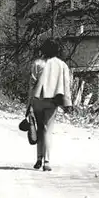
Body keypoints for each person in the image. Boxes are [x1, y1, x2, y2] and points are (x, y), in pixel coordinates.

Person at [26, 38, 72, 171]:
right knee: (47, 130)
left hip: (38, 100)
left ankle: (38, 158)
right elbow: (66, 85)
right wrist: (67, 104)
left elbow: (31, 85)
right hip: (53, 101)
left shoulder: (37, 63)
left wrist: (28, 104)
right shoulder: (62, 65)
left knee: (39, 129)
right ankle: (47, 161)